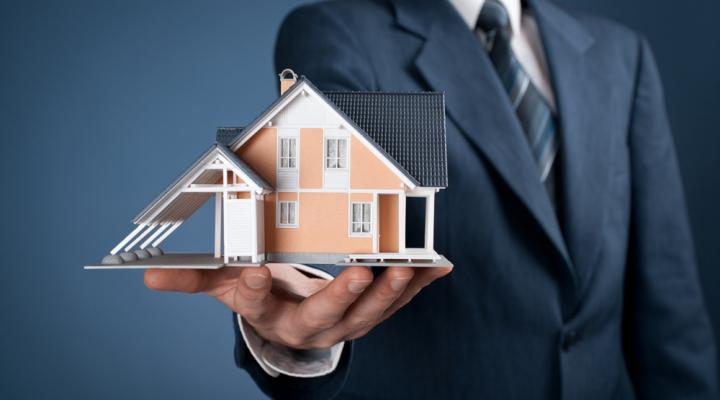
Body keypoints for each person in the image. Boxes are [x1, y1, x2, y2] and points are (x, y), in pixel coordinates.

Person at [143, 0, 719, 398]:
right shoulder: (335, 32)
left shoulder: (622, 56)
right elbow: (327, 235)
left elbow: (669, 305)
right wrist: (292, 328)